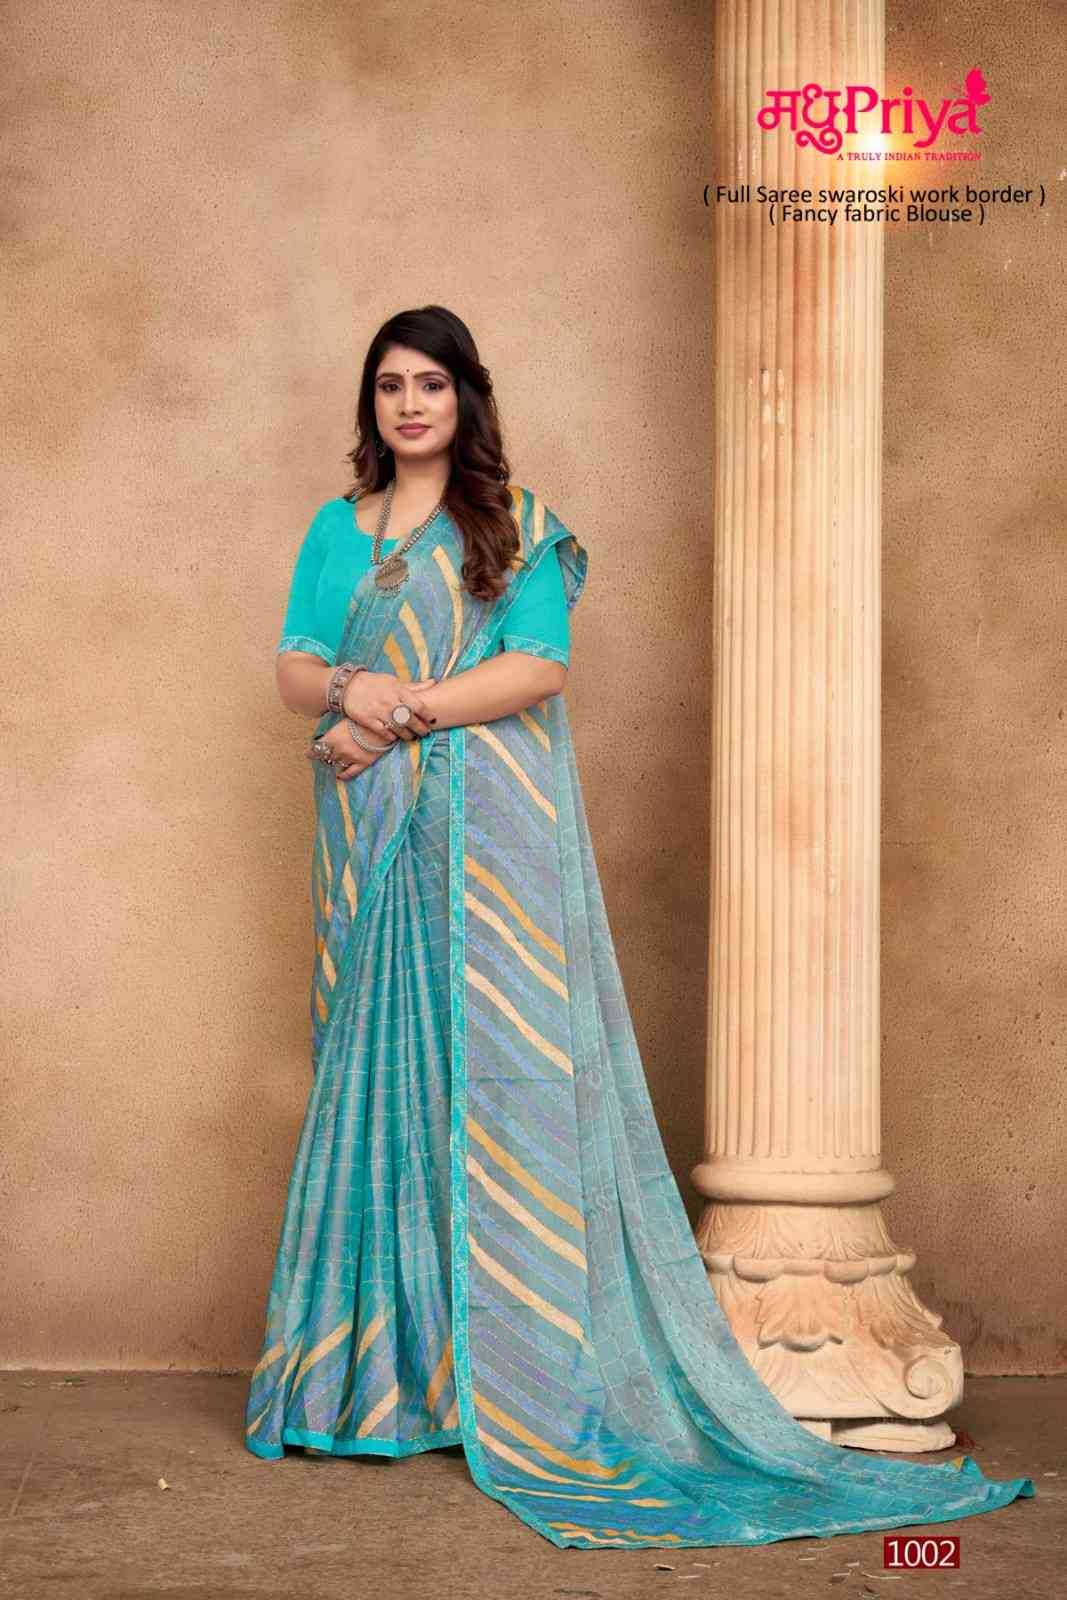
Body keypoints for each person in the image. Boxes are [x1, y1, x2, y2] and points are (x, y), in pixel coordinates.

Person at [243, 305, 1034, 1549]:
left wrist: (391, 715)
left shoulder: (516, 524)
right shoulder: (334, 529)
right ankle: (381, 1381)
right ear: (370, 403)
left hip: (490, 843)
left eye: (431, 384)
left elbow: (537, 667)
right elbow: (295, 665)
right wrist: (349, 687)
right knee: (379, 1077)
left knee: (501, 1087)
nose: (409, 405)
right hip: (369, 843)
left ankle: (521, 1374)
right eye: (390, 385)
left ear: (465, 399)